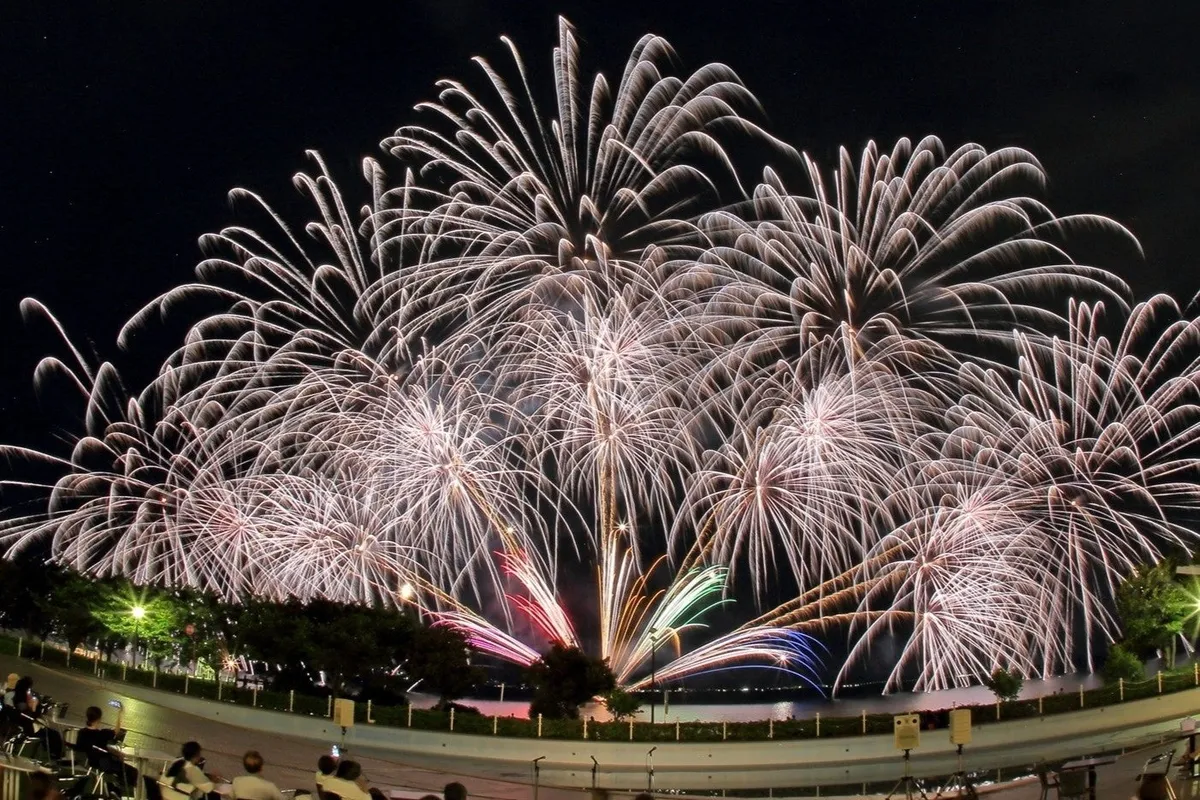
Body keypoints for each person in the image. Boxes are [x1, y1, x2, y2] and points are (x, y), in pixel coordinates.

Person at [76, 705, 137, 789]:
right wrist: (119, 714)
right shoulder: (102, 734)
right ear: (99, 719)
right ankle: (122, 789)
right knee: (132, 771)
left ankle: (118, 785)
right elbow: (116, 731)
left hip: (92, 762)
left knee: (122, 769)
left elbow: (97, 748)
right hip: (106, 764)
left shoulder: (81, 733)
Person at [11, 676, 63, 758]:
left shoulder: (18, 697)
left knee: (52, 734)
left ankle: (53, 753)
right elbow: (30, 715)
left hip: (28, 725)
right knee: (54, 734)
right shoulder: (21, 700)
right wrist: (34, 706)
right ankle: (55, 756)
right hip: (29, 728)